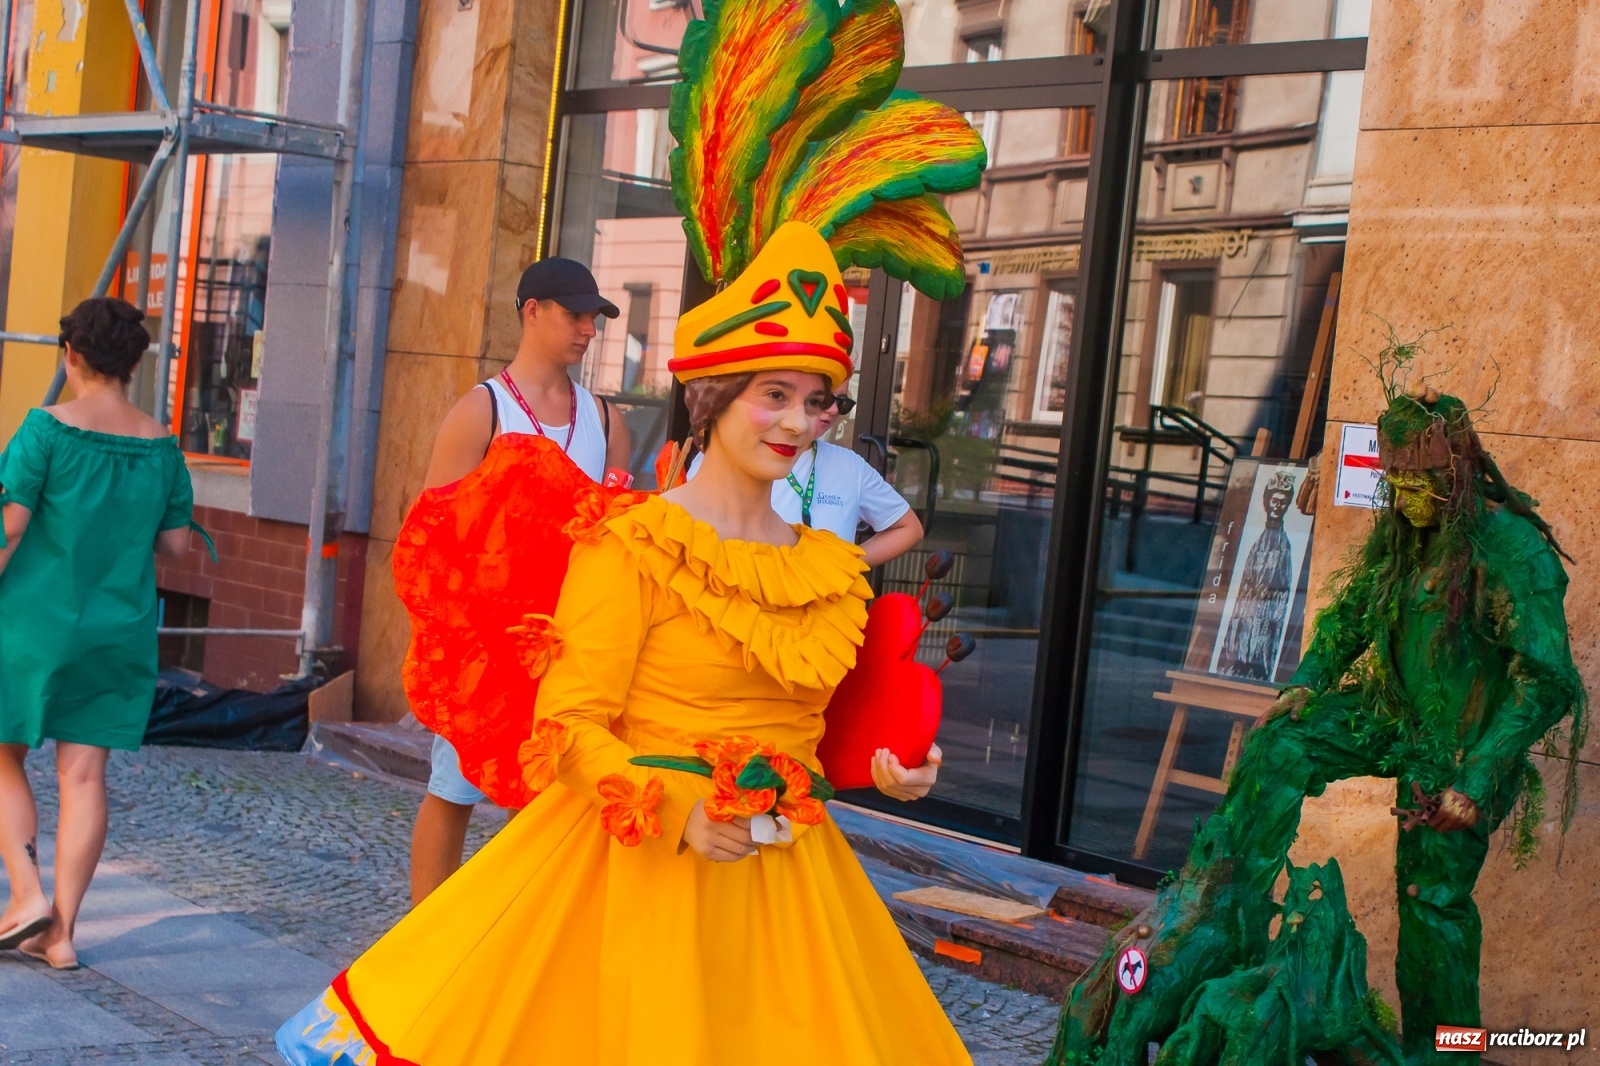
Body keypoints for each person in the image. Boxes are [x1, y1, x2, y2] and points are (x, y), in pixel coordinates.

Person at [1049, 382, 1586, 1066]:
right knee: (1282, 743)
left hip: (1460, 748)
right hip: (1392, 715)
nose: (1408, 497)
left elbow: (1545, 682)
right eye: (1399, 483)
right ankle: (1227, 913)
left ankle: (1446, 1054)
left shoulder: (1512, 550)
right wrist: (1307, 682)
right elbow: (1355, 615)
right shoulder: (1404, 537)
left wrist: (1478, 777)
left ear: (1456, 472)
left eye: (1422, 483)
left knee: (1431, 903)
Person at [409, 257, 629, 906]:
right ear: (531, 311)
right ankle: (422, 938)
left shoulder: (606, 418)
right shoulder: (484, 409)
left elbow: (616, 534)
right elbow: (432, 532)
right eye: (574, 314)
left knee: (544, 796)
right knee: (454, 789)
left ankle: (509, 935)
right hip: (487, 643)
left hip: (570, 643)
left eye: (595, 317)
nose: (588, 329)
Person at [0, 297, 202, 970]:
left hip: (34, 620)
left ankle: (27, 896)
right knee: (85, 777)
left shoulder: (46, 430)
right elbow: (176, 544)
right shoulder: (162, 443)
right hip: (118, 628)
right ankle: (62, 936)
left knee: (2, 755)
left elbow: (11, 526)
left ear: (72, 356)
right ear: (133, 362)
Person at [688, 379, 925, 566]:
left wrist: (846, 565)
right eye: (821, 399)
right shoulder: (723, 460)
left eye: (840, 402)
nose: (832, 409)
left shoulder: (849, 466)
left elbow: (908, 528)